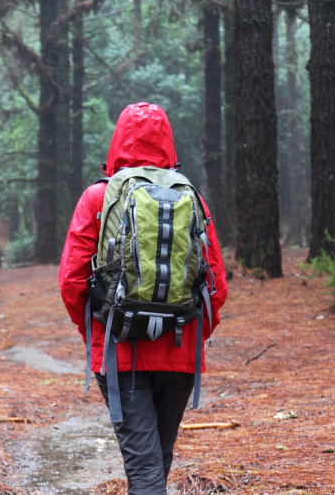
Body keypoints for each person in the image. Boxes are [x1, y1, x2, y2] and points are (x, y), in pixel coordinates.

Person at [58, 102, 228, 494]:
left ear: (116, 141)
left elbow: (71, 280)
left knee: (144, 465)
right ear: (169, 142)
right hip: (180, 351)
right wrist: (192, 335)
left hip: (120, 351)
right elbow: (215, 283)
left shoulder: (98, 198)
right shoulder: (192, 198)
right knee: (157, 460)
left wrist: (97, 335)